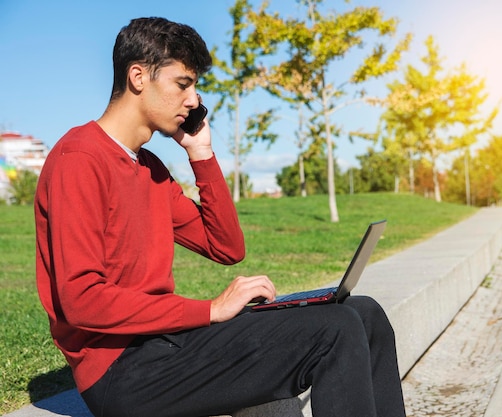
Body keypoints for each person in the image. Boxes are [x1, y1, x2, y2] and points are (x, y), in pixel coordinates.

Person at [34, 17, 405, 417]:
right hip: (123, 372)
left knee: (364, 313)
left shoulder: (151, 169)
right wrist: (209, 310)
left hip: (169, 342)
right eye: (183, 84)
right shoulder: (80, 159)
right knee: (336, 330)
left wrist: (201, 155)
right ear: (138, 77)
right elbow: (83, 301)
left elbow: (226, 246)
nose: (194, 100)